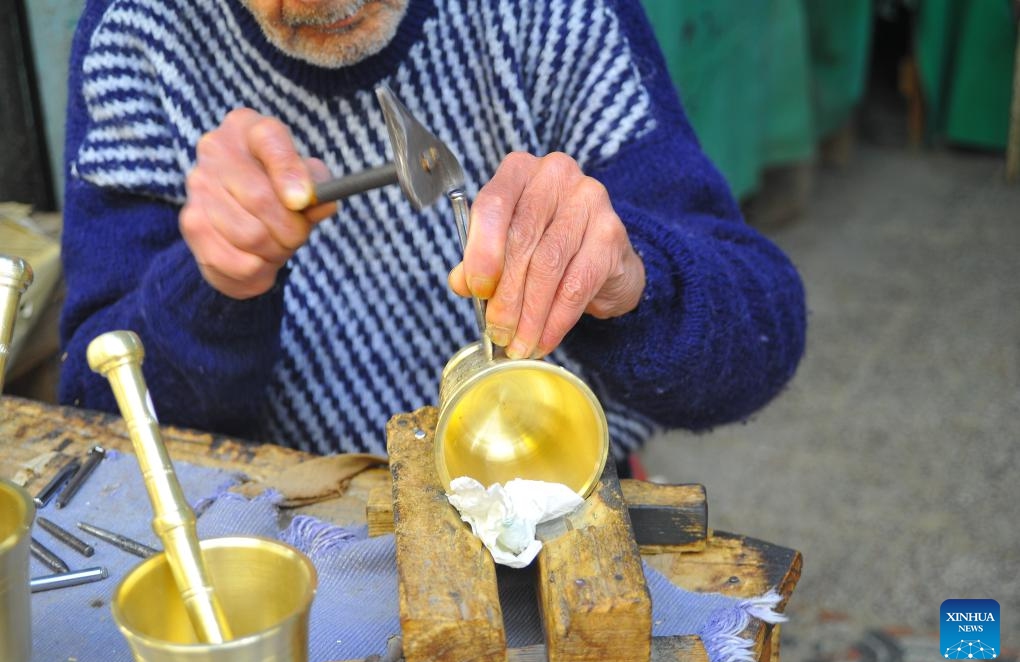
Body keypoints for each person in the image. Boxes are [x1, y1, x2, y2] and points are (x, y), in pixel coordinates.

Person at [59, 0, 807, 475]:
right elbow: (97, 421)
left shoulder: (551, 14)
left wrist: (632, 279)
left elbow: (761, 335)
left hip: (556, 492)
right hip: (288, 541)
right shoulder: (139, 33)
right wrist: (212, 289)